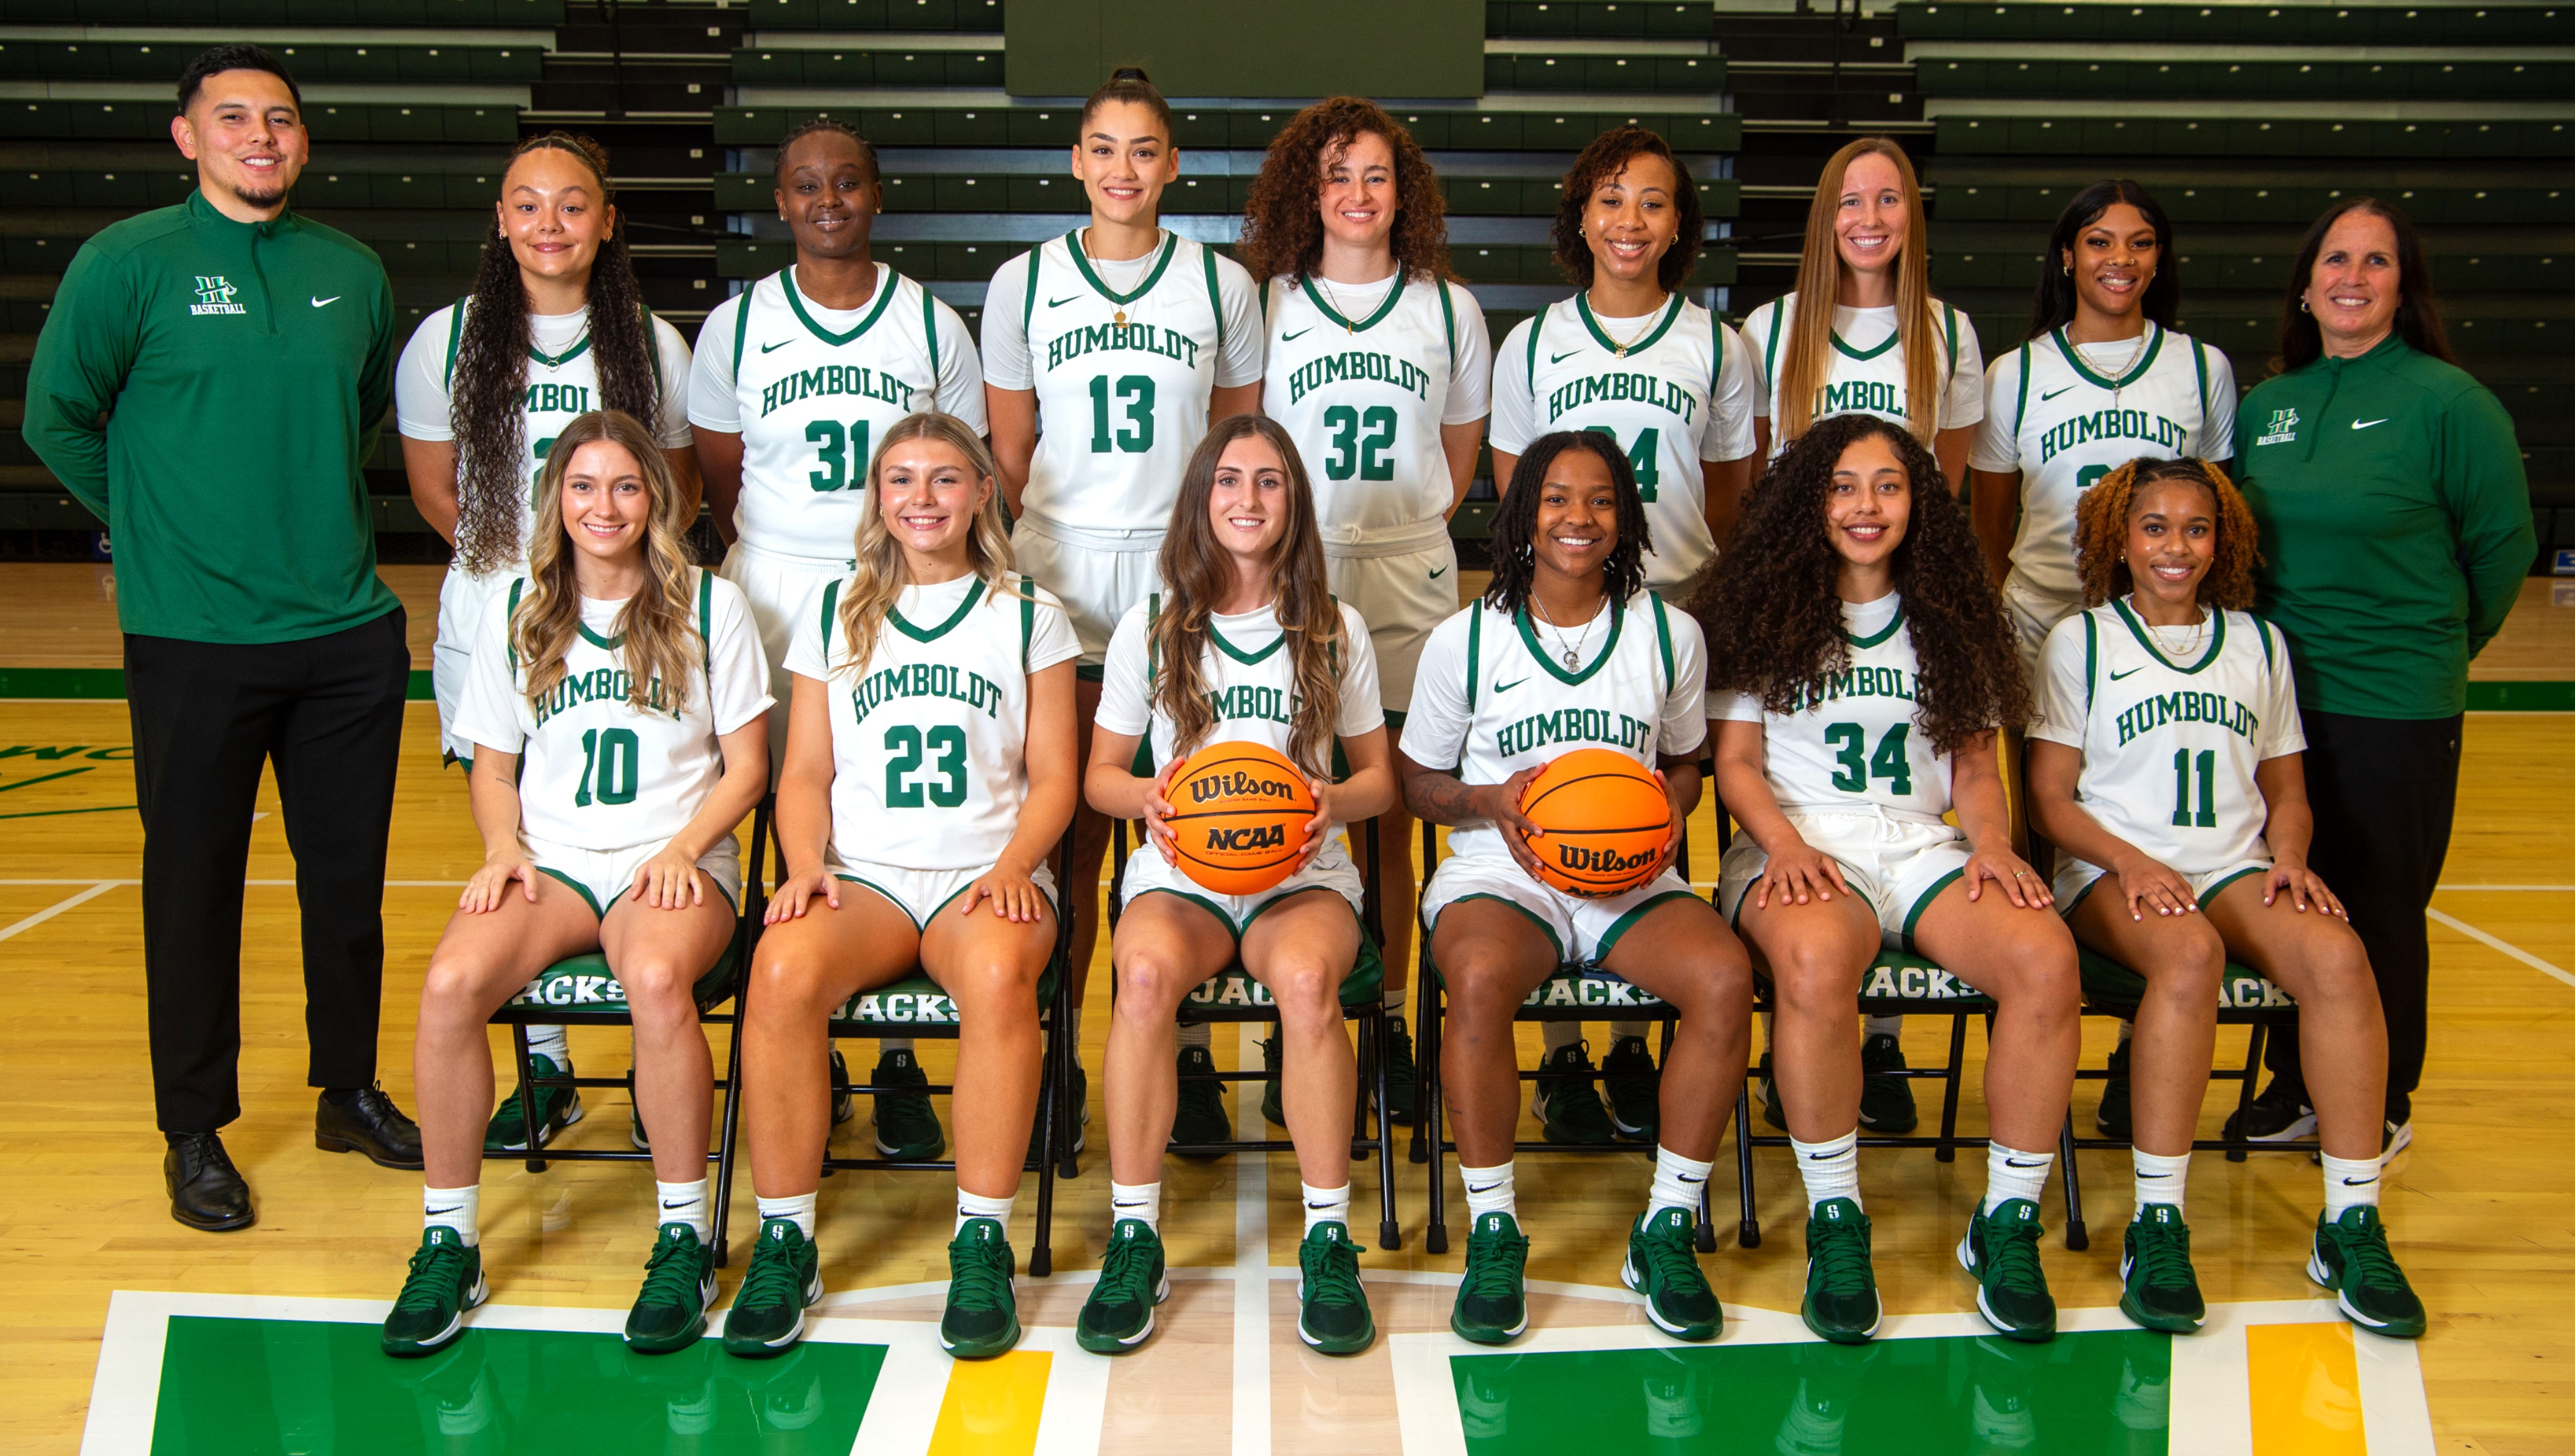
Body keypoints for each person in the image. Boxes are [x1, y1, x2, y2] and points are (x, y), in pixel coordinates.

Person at [25, 43, 421, 1232]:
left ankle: (346, 1089)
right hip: (194, 635)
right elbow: (59, 420)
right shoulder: (125, 264)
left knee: (346, 886)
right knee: (191, 888)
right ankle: (192, 1128)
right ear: (187, 138)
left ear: (305, 142)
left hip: (347, 632)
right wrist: (157, 533)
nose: (263, 136)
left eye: (284, 119)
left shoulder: (350, 273)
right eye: (235, 118)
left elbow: (356, 414)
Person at [380, 410, 771, 1358]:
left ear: (658, 500)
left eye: (628, 486)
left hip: (672, 859)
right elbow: (493, 763)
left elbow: (749, 767)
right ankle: (449, 1238)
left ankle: (685, 1232)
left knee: (653, 980)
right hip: (552, 863)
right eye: (585, 486)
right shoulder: (518, 605)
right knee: (448, 986)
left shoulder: (713, 606)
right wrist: (500, 845)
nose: (607, 506)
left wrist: (684, 849)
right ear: (556, 498)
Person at [1688, 413, 2079, 1345]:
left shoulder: (1952, 610)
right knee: (1819, 963)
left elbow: (1978, 765)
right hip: (1800, 843)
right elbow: (1736, 763)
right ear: (1808, 502)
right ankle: (1836, 1217)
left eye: (1889, 486)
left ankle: (2009, 1219)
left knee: (2045, 959)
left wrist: (1991, 844)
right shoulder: (1759, 603)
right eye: (1844, 487)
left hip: (1920, 845)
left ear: (1920, 503)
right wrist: (1781, 847)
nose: (1867, 507)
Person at [2026, 456, 2425, 1340]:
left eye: (2196, 529)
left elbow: (2287, 787)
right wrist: (2130, 862)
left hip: (2236, 865)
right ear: (2120, 542)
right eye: (2156, 528)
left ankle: (2351, 1221)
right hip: (2112, 873)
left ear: (2223, 541)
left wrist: (2290, 856)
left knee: (2337, 954)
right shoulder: (2081, 642)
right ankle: (2158, 1222)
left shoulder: (2259, 643)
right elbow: (2050, 799)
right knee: (2189, 954)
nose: (2177, 546)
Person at [724, 413, 1078, 1362]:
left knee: (1002, 979)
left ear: (981, 495)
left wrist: (1012, 869)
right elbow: (803, 774)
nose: (923, 499)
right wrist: (805, 869)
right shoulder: (836, 608)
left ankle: (982, 1238)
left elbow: (1056, 779)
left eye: (946, 479)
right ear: (877, 498)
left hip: (986, 876)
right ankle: (788, 1238)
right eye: (902, 480)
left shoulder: (1031, 614)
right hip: (868, 879)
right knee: (782, 972)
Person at [1400, 429, 1754, 1348]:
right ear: (1522, 516)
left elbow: (1683, 763)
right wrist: (1489, 799)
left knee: (1724, 980)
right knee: (1476, 980)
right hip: (1499, 868)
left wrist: (1670, 809)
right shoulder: (1466, 638)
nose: (1578, 518)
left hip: (1631, 875)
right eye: (1556, 498)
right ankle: (1494, 1227)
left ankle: (1667, 1223)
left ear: (1627, 520)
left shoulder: (1669, 635)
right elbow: (1417, 785)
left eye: (1600, 501)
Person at [691, 118, 990, 1165]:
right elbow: (721, 475)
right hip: (776, 583)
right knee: (787, 814)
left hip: (901, 581)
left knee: (890, 818)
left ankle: (900, 1060)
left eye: (847, 182)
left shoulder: (928, 325)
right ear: (778, 203)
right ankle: (801, 1046)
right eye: (805, 185)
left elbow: (955, 459)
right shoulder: (736, 327)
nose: (827, 200)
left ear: (875, 196)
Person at [397, 131, 699, 1157]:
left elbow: (685, 482)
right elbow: (437, 488)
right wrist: (539, 573)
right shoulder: (447, 339)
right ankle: (552, 1070)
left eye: (572, 205)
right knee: (517, 839)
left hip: (624, 608)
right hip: (500, 611)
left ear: (606, 221)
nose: (549, 225)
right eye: (527, 205)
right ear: (500, 220)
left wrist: (611, 571)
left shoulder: (652, 342)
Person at [981, 66, 1265, 1151]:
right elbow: (1011, 451)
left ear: (1173, 165)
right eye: (1103, 149)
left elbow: (1233, 449)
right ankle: (1054, 1051)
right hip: (1057, 573)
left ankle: (1186, 1054)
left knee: (1187, 810)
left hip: (1178, 581)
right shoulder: (1023, 284)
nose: (1123, 170)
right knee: (1066, 833)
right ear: (1075, 162)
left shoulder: (1217, 285)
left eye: (1144, 150)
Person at [1075, 416, 1394, 1357]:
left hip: (1303, 875)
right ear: (1200, 501)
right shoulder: (1155, 625)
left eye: (1268, 482)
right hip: (1184, 872)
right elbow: (1099, 776)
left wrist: (1330, 800)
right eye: (1227, 481)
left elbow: (1384, 781)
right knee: (1139, 981)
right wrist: (1150, 796)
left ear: (1293, 503)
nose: (1246, 500)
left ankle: (1328, 1234)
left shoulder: (1336, 630)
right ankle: (1136, 1231)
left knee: (1305, 985)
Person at [2232, 198, 2534, 1155]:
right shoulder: (2270, 404)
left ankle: (2382, 1100)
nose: (2351, 278)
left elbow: (2501, 553)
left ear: (2404, 288)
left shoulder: (2451, 404)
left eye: (2375, 262)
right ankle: (2294, 1083)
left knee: (2380, 903)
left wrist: (2434, 649)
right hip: (2277, 704)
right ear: (2308, 282)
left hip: (2395, 703)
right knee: (2290, 891)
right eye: (2335, 260)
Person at [1486, 124, 1758, 1146]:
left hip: (1671, 607)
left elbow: (1730, 496)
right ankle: (1561, 1062)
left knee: (1650, 810)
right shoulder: (1535, 343)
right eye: (1610, 198)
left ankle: (1635, 1037)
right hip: (1562, 606)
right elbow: (1521, 496)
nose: (1629, 220)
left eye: (1651, 201)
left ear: (1679, 223)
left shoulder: (1716, 345)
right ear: (1581, 215)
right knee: (1557, 799)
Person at [1964, 178, 2236, 1140]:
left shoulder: (2203, 370)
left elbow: (2213, 517)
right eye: (2098, 241)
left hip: (2156, 637)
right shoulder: (2015, 375)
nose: (2119, 258)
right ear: (2066, 257)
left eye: (2141, 241)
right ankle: (2033, 1045)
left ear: (2161, 260)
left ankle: (2136, 1047)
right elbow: (1992, 533)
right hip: (2043, 626)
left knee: (2149, 826)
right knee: (2042, 853)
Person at [1241, 96, 1491, 1132]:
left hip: (1406, 576)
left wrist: (1412, 523)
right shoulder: (1270, 301)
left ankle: (1383, 1015)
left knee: (1384, 798)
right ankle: (1293, 1004)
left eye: (1376, 177)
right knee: (1285, 784)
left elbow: (1464, 451)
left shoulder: (1449, 308)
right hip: (1295, 571)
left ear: (1406, 193)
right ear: (1310, 190)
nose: (1357, 195)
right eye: (1337, 176)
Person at [1737, 137, 1986, 1136]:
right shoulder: (1772, 330)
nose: (1870, 218)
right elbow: (1753, 479)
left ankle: (1877, 1043)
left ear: (1912, 215)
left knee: (1907, 796)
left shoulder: (1948, 334)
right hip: (1796, 600)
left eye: (1889, 199)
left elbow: (1950, 487)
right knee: (1783, 799)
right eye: (1850, 201)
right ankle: (1794, 1047)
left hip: (1900, 593)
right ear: (1823, 218)